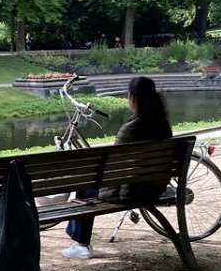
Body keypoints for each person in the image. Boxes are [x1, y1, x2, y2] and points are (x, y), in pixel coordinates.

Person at [62, 76, 172, 260]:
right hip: (155, 187)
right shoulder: (163, 125)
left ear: (133, 98)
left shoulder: (131, 129)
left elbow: (113, 167)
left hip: (131, 192)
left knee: (84, 187)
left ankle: (81, 245)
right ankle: (79, 243)